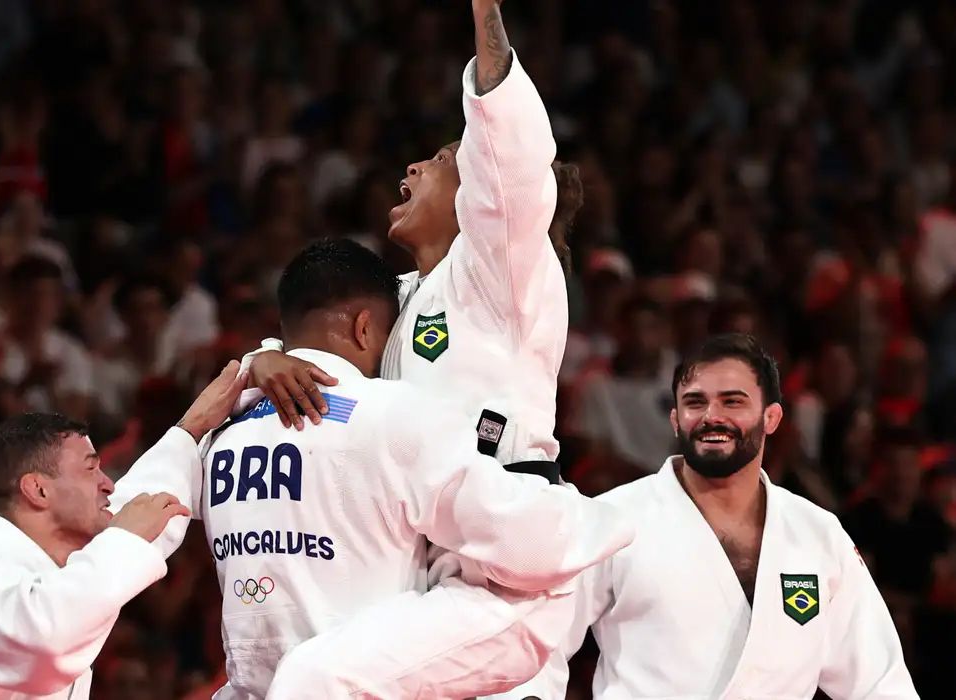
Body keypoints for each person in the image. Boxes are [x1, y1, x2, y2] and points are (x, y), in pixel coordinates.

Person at [246, 0, 584, 696]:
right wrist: (264, 358)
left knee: (315, 680)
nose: (412, 166)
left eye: (438, 160)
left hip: (502, 554)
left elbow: (512, 156)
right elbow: (325, 343)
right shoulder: (397, 300)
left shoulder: (501, 270)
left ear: (476, 194)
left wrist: (486, 9)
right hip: (421, 560)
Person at [120, 239, 631, 699]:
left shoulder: (219, 430)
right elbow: (528, 544)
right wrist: (603, 516)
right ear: (365, 328)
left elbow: (123, 523)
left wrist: (258, 359)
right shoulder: (394, 414)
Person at [549, 334, 918, 698]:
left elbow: (880, 684)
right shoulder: (613, 518)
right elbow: (537, 642)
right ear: (676, 420)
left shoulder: (817, 534)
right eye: (696, 402)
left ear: (771, 417)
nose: (712, 417)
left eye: (732, 402)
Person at [0, 361, 249, 700]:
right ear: (38, 490)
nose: (108, 485)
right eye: (90, 470)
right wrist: (124, 538)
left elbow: (134, 510)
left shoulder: (48, 565)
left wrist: (189, 431)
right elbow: (49, 635)